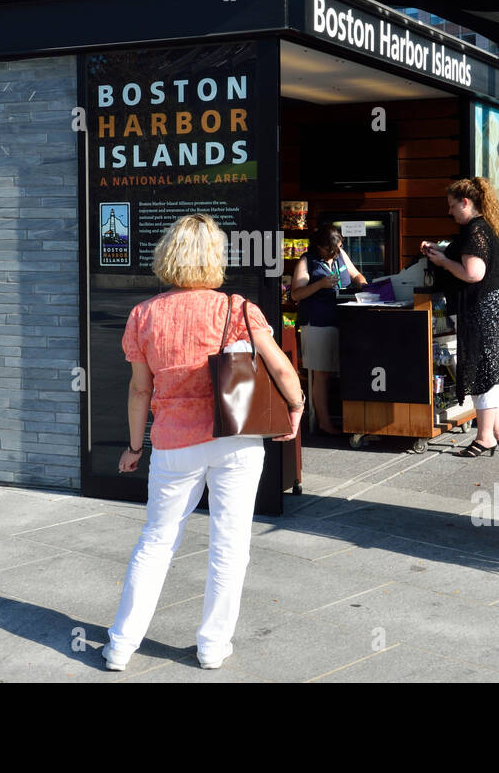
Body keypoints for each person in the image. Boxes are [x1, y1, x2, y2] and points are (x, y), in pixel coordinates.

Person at [103, 213, 304, 672]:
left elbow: (139, 389)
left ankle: (120, 646)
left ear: (167, 256)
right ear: (216, 258)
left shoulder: (144, 315)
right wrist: (295, 406)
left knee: (156, 541)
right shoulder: (237, 308)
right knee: (230, 543)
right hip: (235, 438)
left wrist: (135, 447)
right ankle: (213, 646)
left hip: (174, 443)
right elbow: (278, 368)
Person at [419, 176, 499, 458]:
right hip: (494, 303)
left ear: (466, 202)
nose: (449, 212)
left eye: (452, 206)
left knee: (481, 370)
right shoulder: (485, 226)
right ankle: (496, 431)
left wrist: (442, 261)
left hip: (484, 305)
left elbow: (473, 273)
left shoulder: (474, 230)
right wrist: (440, 251)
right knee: (491, 369)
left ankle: (485, 437)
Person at [289, 224, 367, 435]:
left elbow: (356, 274)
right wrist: (320, 284)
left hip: (342, 319)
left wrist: (365, 286)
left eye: (337, 250)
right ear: (320, 246)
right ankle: (323, 422)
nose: (334, 254)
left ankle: (348, 417)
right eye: (330, 251)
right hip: (317, 322)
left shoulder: (340, 253)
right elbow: (296, 294)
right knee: (321, 373)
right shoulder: (307, 260)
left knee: (342, 370)